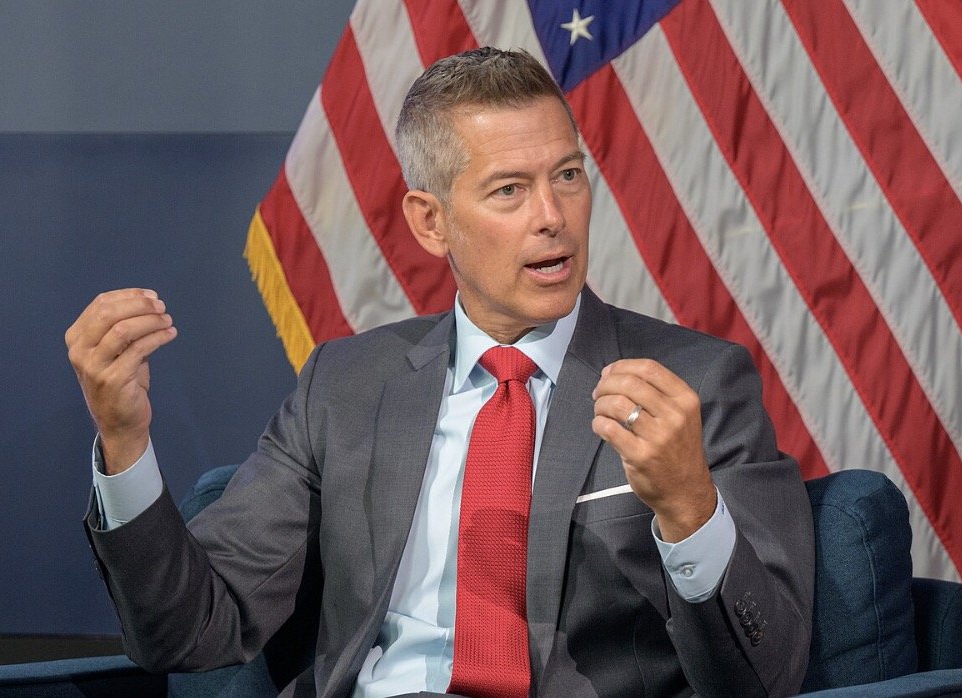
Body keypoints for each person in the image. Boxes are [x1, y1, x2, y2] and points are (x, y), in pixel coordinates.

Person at [66, 47, 813, 697]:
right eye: (509, 190)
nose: (552, 215)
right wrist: (125, 446)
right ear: (431, 222)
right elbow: (193, 630)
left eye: (568, 175)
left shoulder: (697, 382)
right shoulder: (346, 386)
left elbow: (763, 677)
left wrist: (690, 510)